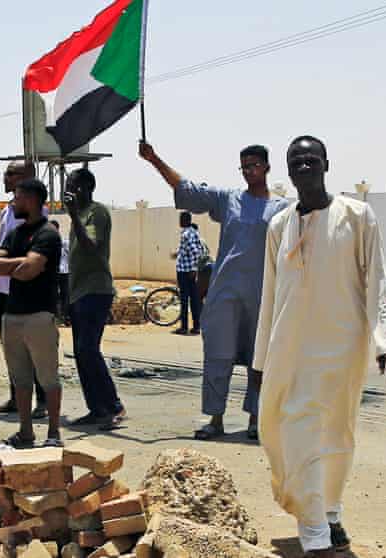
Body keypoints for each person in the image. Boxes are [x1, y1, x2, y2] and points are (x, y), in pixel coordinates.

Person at [253, 136, 386, 557]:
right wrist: (260, 357)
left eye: (310, 159)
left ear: (325, 164)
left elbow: (378, 280)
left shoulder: (357, 216)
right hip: (289, 349)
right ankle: (315, 527)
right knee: (289, 429)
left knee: (337, 436)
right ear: (288, 169)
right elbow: (270, 292)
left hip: (342, 347)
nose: (303, 165)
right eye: (295, 160)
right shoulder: (279, 225)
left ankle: (329, 512)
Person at [139, 141, 289, 441]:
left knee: (261, 359)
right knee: (217, 354)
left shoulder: (283, 208)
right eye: (244, 166)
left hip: (263, 294)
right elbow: (190, 190)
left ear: (267, 167)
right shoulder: (228, 199)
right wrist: (155, 160)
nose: (249, 171)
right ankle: (215, 418)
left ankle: (256, 419)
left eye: (254, 165)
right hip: (225, 293)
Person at [0, 178, 63, 448]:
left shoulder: (47, 234)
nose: (14, 201)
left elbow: (30, 269)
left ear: (31, 199)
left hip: (39, 316)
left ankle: (54, 434)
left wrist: (18, 265)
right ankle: (26, 432)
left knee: (47, 378)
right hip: (13, 315)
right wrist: (20, 264)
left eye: (18, 196)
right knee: (20, 378)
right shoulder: (15, 233)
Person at [63, 168, 125, 429]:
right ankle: (96, 407)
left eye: (72, 186)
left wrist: (75, 216)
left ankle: (112, 406)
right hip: (79, 291)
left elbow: (92, 246)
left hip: (96, 290)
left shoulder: (96, 212)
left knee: (89, 350)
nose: (68, 191)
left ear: (86, 188)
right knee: (81, 352)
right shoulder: (78, 216)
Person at [0, 160, 48, 417]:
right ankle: (15, 398)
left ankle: (43, 401)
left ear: (26, 178)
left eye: (11, 174)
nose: (5, 177)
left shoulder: (39, 213)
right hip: (3, 289)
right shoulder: (7, 211)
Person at [173, 211, 204, 335]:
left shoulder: (186, 234)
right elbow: (199, 249)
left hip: (185, 271)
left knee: (185, 300)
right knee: (194, 300)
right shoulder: (194, 232)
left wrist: (193, 268)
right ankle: (196, 327)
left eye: (181, 219)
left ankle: (184, 327)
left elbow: (195, 251)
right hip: (189, 271)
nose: (179, 221)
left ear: (185, 220)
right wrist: (177, 254)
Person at [50, 220, 71, 324]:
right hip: (54, 272)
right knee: (53, 294)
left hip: (65, 272)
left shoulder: (65, 242)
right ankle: (56, 317)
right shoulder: (48, 243)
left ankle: (66, 317)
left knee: (65, 294)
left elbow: (71, 256)